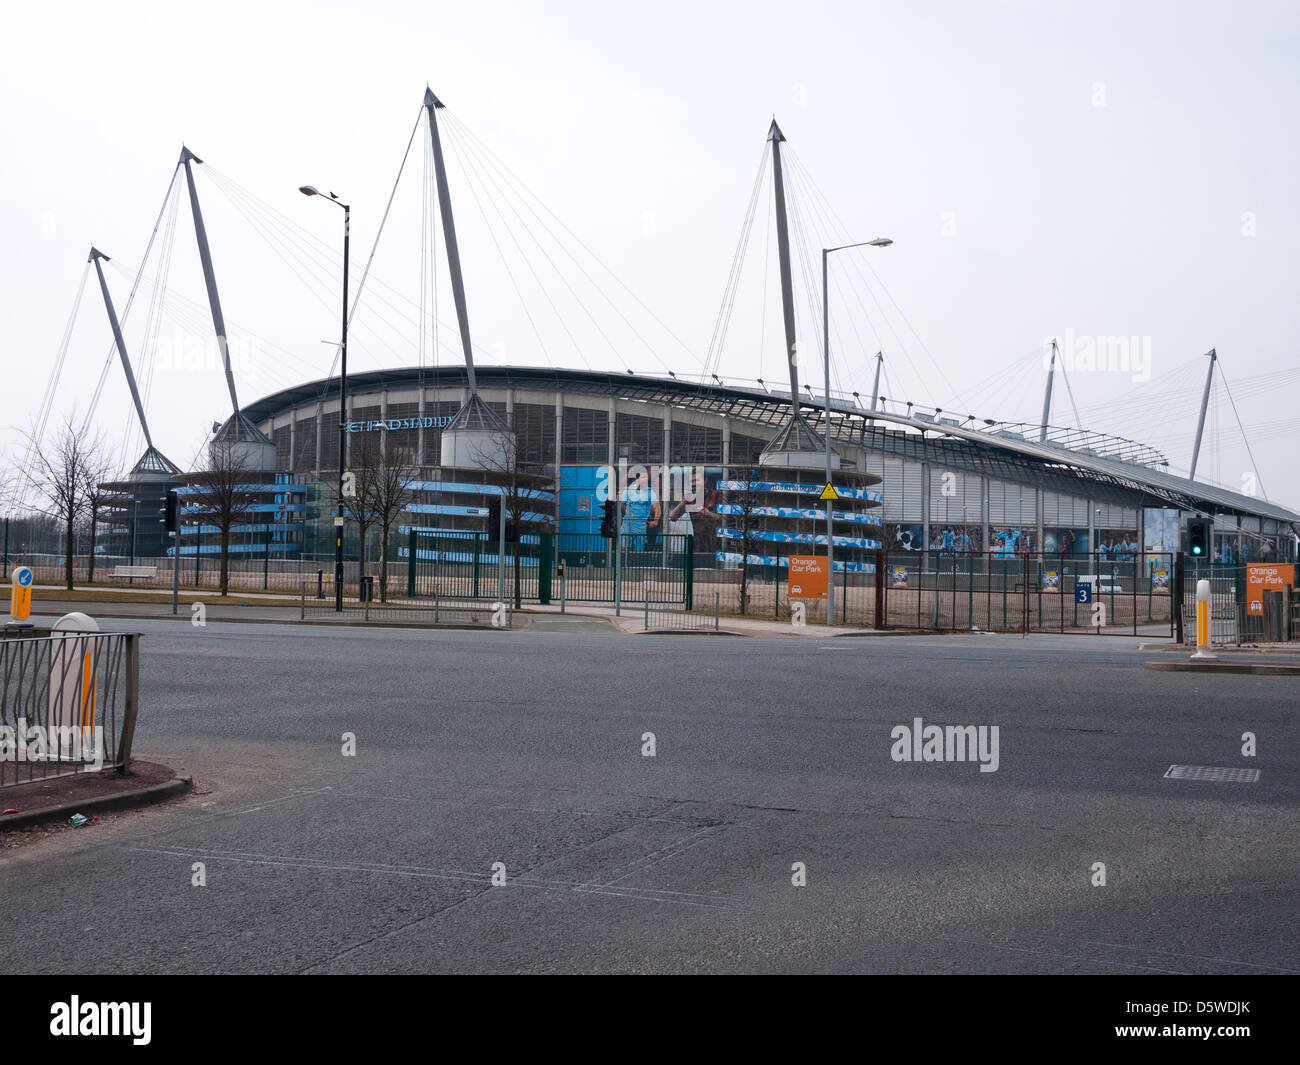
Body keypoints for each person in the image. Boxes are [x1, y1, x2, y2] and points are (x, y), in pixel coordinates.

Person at [620, 467, 660, 552]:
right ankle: (623, 565)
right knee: (624, 550)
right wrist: (627, 516)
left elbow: (657, 507)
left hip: (641, 526)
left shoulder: (650, 492)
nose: (646, 480)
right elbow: (622, 506)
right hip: (627, 524)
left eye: (646, 477)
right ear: (637, 479)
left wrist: (655, 521)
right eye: (643, 477)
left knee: (638, 552)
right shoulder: (627, 491)